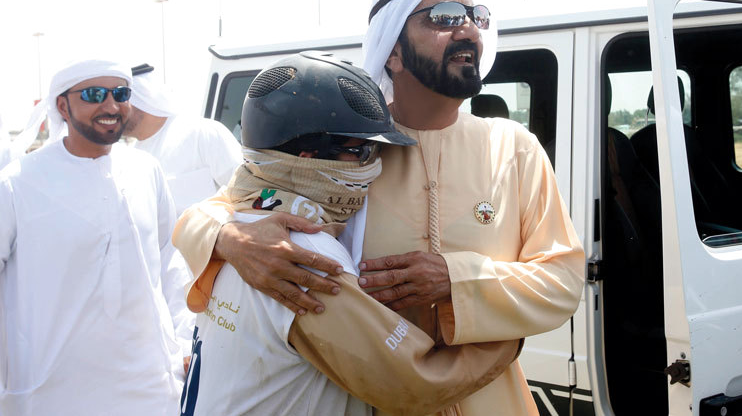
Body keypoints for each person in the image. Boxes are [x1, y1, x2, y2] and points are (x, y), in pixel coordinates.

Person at [174, 0, 585, 415]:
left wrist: (456, 280)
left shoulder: (515, 149)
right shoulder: (348, 152)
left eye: (475, 17)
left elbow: (562, 280)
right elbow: (206, 215)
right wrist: (230, 239)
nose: (467, 29)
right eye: (445, 17)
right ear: (393, 52)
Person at [180, 51, 521, 415]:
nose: (373, 165)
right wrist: (506, 339)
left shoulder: (237, 223)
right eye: (360, 151)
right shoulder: (301, 256)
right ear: (309, 157)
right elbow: (415, 381)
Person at [0, 59, 194, 415]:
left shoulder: (146, 171)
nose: (111, 106)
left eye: (120, 94)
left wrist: (183, 342)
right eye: (94, 94)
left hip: (150, 387)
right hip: (51, 393)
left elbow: (171, 261)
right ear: (63, 106)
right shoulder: (16, 184)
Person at [125, 64, 242, 217]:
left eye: (120, 101)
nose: (112, 110)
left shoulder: (201, 132)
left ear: (140, 100)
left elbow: (248, 192)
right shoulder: (132, 157)